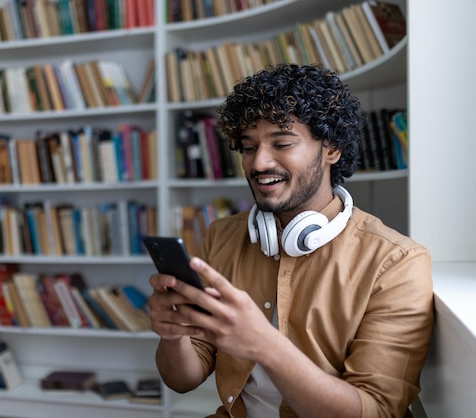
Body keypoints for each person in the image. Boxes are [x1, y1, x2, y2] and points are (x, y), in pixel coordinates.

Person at [147, 64, 434, 418]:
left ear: (331, 149)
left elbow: (373, 410)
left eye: (282, 143)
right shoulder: (223, 236)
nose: (259, 162)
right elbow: (183, 379)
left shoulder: (397, 262)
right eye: (248, 147)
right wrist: (172, 334)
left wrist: (264, 344)